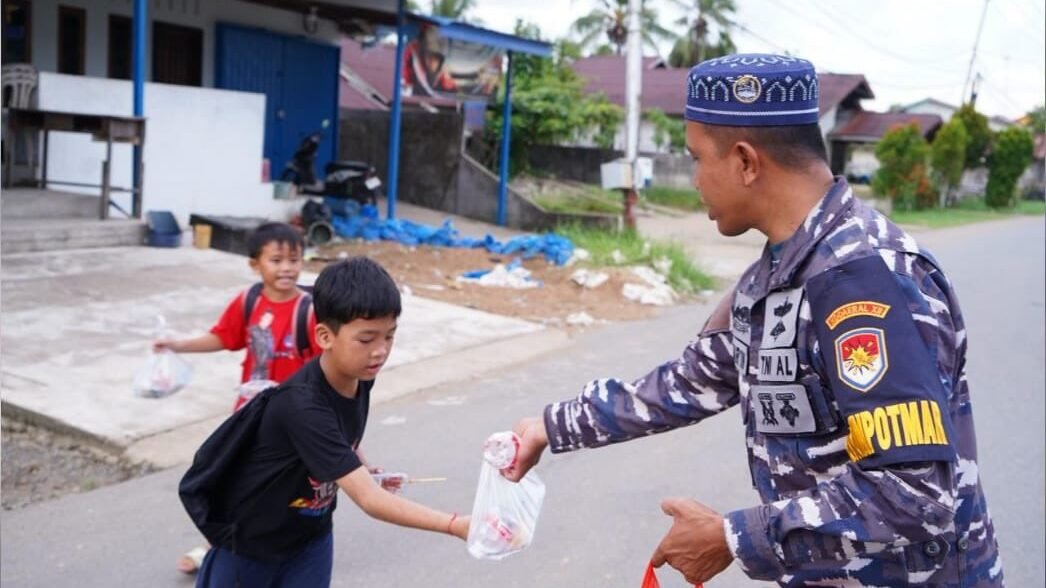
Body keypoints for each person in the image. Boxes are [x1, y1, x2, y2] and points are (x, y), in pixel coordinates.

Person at [502, 53, 1003, 587]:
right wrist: (550, 427)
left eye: (697, 158)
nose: (694, 179)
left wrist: (733, 537)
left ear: (745, 162)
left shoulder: (865, 279)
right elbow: (690, 381)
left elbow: (914, 494)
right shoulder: (775, 273)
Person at [193, 256, 470, 587]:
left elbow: (341, 433)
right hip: (249, 549)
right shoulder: (302, 406)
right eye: (367, 339)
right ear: (324, 336)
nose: (380, 351)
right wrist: (455, 524)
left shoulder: (360, 373)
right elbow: (369, 500)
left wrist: (365, 468)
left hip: (310, 540)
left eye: (389, 336)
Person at [156, 221, 323, 572]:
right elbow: (223, 337)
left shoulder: (308, 312)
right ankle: (217, 545)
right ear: (254, 264)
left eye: (294, 259)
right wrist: (177, 345)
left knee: (288, 490)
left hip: (294, 423)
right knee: (234, 485)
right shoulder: (248, 302)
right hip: (249, 418)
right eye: (276, 260)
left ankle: (297, 546)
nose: (287, 268)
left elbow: (324, 369)